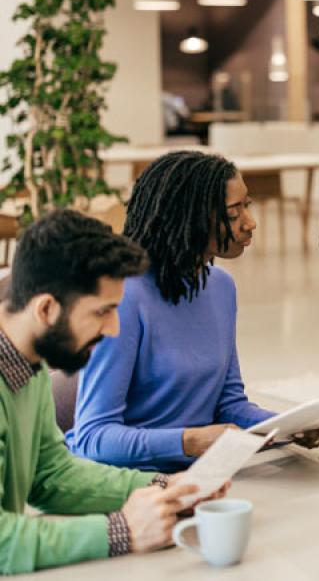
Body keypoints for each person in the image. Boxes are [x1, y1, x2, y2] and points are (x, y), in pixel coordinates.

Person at [68, 152, 319, 472]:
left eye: (247, 206)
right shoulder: (122, 297)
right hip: (132, 483)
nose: (251, 222)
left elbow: (229, 405)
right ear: (189, 217)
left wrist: (288, 424)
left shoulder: (220, 287)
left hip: (204, 473)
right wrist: (189, 441)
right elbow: (92, 437)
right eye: (234, 213)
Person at [0, 209, 219, 573]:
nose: (114, 328)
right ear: (46, 308)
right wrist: (122, 531)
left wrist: (165, 487)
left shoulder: (29, 361)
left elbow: (50, 475)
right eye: (102, 311)